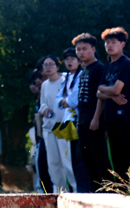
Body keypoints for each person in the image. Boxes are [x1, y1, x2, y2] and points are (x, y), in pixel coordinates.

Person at [72, 33, 109, 190]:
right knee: (86, 158)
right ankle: (96, 191)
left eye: (84, 49)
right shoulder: (84, 70)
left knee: (99, 157)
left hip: (94, 121)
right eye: (78, 49)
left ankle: (110, 191)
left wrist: (96, 118)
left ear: (93, 49)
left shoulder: (99, 68)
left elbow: (101, 97)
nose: (81, 52)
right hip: (82, 121)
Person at [95, 27, 130, 181]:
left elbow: (116, 90)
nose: (109, 45)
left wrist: (106, 92)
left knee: (126, 154)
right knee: (115, 157)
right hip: (109, 117)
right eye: (107, 42)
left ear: (122, 44)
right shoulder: (108, 65)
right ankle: (122, 191)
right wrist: (110, 95)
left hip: (125, 116)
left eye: (113, 42)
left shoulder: (126, 63)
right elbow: (98, 92)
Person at [38, 55, 75, 192]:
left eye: (51, 64)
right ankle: (60, 191)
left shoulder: (66, 80)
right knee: (53, 163)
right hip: (49, 127)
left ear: (57, 66)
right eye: (45, 65)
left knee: (67, 162)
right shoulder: (44, 85)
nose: (48, 67)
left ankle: (76, 190)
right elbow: (42, 104)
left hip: (63, 126)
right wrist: (45, 110)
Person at [57, 47, 90, 192]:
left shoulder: (81, 75)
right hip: (67, 121)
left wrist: (65, 102)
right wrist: (65, 101)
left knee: (81, 157)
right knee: (72, 158)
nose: (69, 62)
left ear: (78, 60)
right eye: (67, 59)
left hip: (79, 120)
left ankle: (84, 189)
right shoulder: (64, 78)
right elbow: (58, 101)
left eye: (72, 59)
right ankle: (78, 190)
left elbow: (73, 100)